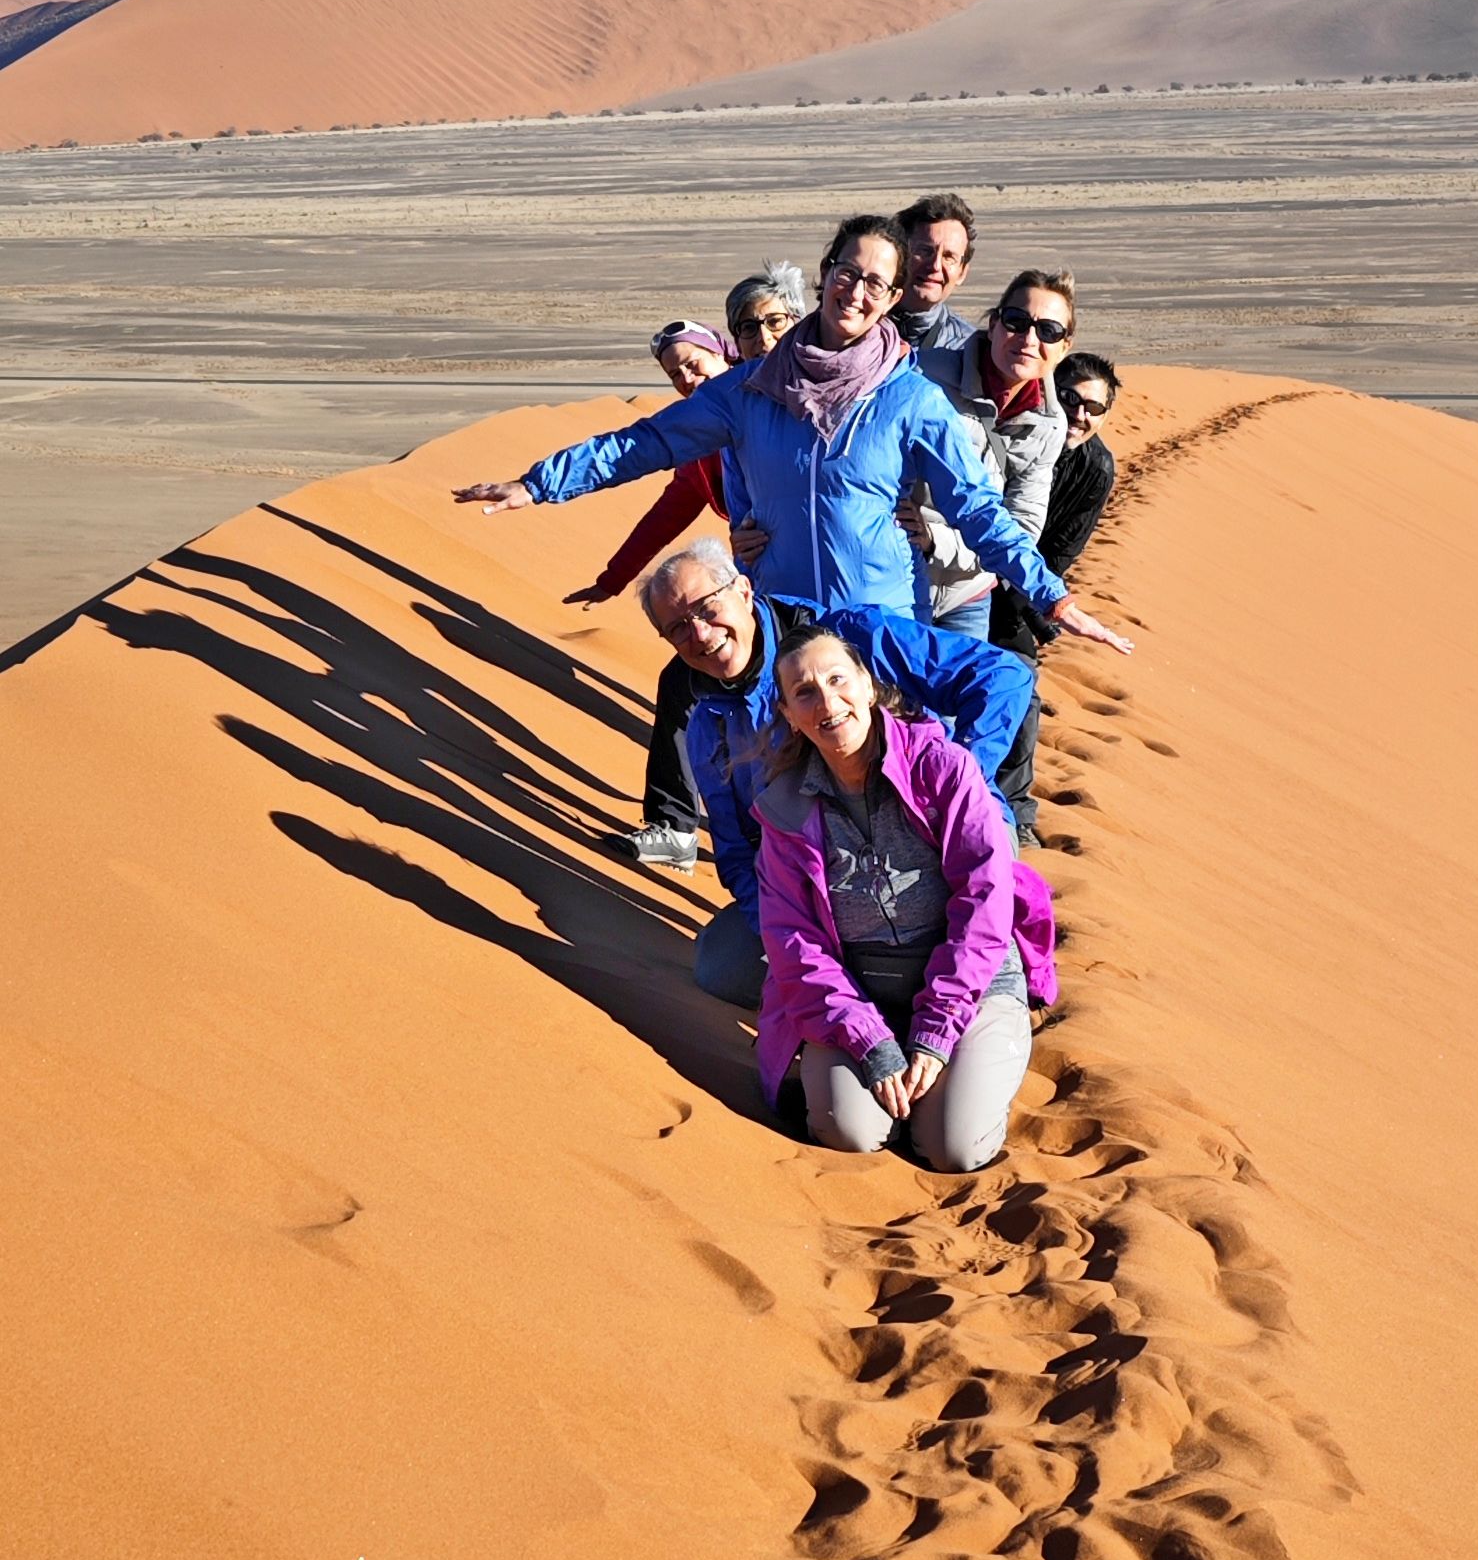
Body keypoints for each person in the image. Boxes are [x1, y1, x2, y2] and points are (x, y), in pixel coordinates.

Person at [454, 213, 1131, 651]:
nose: (857, 292)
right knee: (780, 797)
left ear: (894, 299)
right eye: (847, 272)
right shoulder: (748, 390)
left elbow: (979, 512)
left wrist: (1052, 595)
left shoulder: (911, 399)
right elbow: (648, 443)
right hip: (778, 622)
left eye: (876, 283)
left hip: (879, 630)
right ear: (825, 274)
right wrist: (538, 484)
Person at [635, 540, 1038, 1011]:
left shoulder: (848, 639)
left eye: (707, 608)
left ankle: (979, 981)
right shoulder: (710, 724)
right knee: (722, 964)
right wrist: (783, 928)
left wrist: (956, 783)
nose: (701, 634)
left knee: (933, 921)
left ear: (744, 591)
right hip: (826, 872)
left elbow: (1001, 676)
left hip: (937, 834)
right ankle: (863, 1000)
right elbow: (737, 851)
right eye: (678, 627)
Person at [753, 625, 1056, 1170]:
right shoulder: (785, 808)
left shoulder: (944, 770)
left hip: (970, 982)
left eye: (838, 679)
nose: (827, 701)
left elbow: (985, 904)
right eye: (805, 692)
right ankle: (903, 1085)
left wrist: (936, 1031)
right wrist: (871, 1042)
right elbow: (793, 942)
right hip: (858, 995)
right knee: (847, 1131)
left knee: (952, 1148)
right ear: (790, 714)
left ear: (868, 687)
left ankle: (969, 1075)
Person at [556, 319, 737, 871]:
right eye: (674, 372)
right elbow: (671, 509)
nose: (686, 377)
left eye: (694, 362)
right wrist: (615, 578)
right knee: (684, 685)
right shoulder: (703, 441)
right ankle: (677, 828)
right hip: (757, 582)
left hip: (803, 586)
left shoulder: (759, 412)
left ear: (722, 355)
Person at [988, 353, 1123, 837]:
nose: (1080, 415)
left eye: (1094, 408)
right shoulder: (1012, 433)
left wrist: (1034, 605)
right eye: (1069, 399)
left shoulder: (1095, 468)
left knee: (1019, 689)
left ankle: (1015, 814)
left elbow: (1061, 554)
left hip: (1021, 594)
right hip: (958, 579)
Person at [909, 270, 1075, 641]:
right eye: (1017, 322)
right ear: (995, 323)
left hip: (967, 593)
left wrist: (938, 541)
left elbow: (1023, 527)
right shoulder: (923, 376)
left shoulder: (1049, 424)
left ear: (1065, 345)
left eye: (1048, 331)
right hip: (900, 577)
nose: (1029, 339)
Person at [892, 192, 978, 351]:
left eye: (948, 257)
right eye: (924, 251)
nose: (935, 266)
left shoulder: (969, 350)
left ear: (962, 273)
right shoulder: (854, 327)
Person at [725, 262, 806, 361]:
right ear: (737, 343)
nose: (764, 337)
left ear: (799, 325)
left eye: (774, 321)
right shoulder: (729, 377)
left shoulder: (825, 373)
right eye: (749, 328)